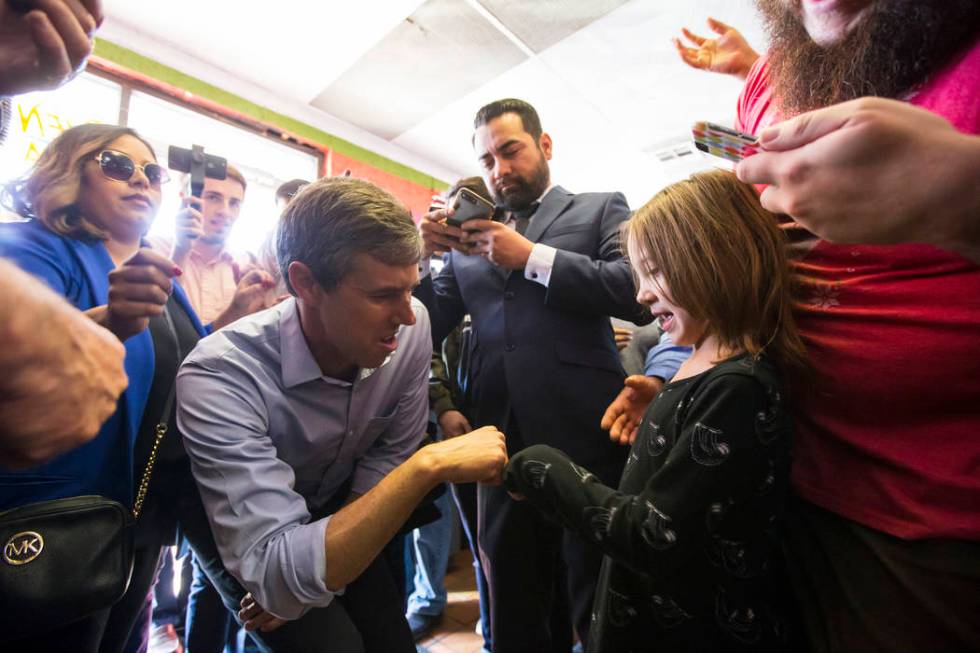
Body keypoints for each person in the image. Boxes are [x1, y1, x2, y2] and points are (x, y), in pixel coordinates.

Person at [605, 5, 980, 650]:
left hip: (920, 527)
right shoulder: (775, 78)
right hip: (774, 489)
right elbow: (732, 293)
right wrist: (681, 391)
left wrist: (963, 194)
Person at [176, 176, 509, 653]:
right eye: (381, 296)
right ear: (305, 282)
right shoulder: (220, 374)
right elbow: (275, 569)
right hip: (240, 518)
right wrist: (427, 465)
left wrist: (313, 575)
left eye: (409, 289)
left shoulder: (411, 330)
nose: (408, 316)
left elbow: (388, 452)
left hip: (336, 496)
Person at [506, 169, 806, 652]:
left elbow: (652, 534)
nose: (641, 295)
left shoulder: (738, 386)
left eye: (655, 272)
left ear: (713, 260)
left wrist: (542, 466)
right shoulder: (701, 361)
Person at [416, 98, 649, 652]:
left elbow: (633, 289)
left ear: (544, 146)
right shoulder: (468, 240)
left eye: (509, 150)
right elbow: (429, 321)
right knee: (514, 601)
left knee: (596, 596)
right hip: (496, 441)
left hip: (586, 434)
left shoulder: (598, 208)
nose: (498, 169)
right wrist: (420, 260)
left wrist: (532, 258)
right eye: (487, 158)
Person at [0, 0, 125, 469]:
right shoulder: (26, 246)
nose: (140, 180)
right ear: (68, 170)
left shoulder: (143, 261)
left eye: (153, 172)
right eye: (118, 164)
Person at [151, 164, 261, 324]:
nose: (225, 211)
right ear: (185, 198)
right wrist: (180, 251)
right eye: (213, 197)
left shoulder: (246, 266)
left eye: (234, 203)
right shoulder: (153, 250)